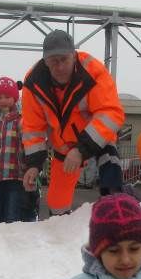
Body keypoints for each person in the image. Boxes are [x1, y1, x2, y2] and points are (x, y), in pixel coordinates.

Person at [21, 30, 124, 215]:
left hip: (96, 139)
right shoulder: (32, 83)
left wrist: (81, 150)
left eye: (64, 59)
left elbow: (111, 113)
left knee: (110, 170)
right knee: (56, 204)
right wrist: (33, 165)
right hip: (64, 148)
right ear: (45, 61)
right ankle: (60, 228)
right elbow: (32, 128)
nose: (60, 67)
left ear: (74, 56)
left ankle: (117, 214)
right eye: (54, 61)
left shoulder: (93, 71)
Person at [0, 77, 25, 223]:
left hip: (15, 175)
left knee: (12, 213)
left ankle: (12, 235)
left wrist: (29, 167)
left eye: (7, 97)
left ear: (15, 98)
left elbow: (27, 145)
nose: (3, 101)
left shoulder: (21, 120)